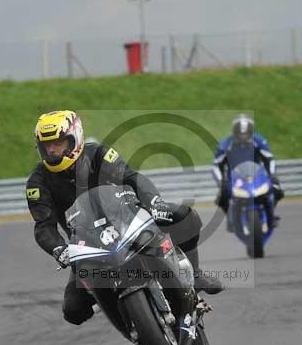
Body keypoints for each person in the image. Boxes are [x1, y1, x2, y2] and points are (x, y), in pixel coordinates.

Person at [26, 110, 223, 326]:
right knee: (73, 311)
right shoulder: (37, 182)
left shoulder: (99, 154)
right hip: (87, 246)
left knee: (186, 216)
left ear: (75, 138)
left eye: (59, 142)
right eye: (47, 145)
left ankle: (194, 275)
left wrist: (154, 203)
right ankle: (120, 311)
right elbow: (43, 226)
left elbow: (131, 177)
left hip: (128, 224)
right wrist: (59, 249)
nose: (52, 149)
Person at [212, 113, 284, 230]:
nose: (243, 136)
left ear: (251, 131)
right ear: (235, 132)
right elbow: (216, 166)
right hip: (234, 178)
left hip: (257, 175)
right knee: (222, 197)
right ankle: (231, 219)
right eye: (240, 133)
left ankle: (270, 216)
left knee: (277, 190)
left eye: (246, 133)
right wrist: (221, 182)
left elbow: (269, 159)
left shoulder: (259, 141)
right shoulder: (225, 144)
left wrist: (272, 174)